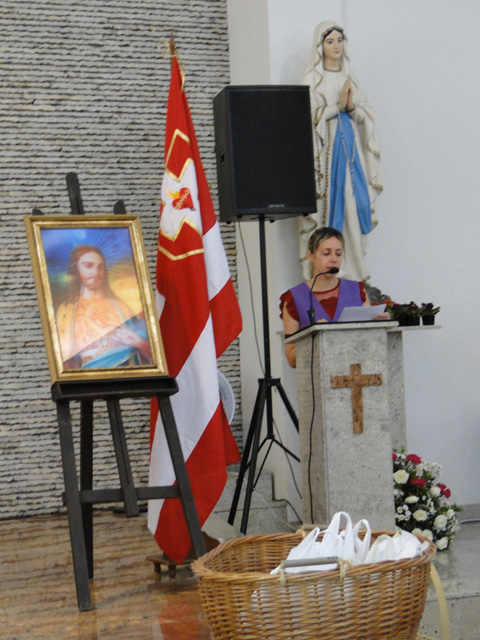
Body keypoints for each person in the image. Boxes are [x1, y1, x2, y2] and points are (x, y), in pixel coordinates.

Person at [300, 21, 382, 282]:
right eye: (330, 41)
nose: (336, 45)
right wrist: (337, 107)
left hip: (351, 153)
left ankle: (356, 271)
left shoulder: (350, 77)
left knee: (356, 205)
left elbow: (365, 115)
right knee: (334, 205)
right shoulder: (312, 79)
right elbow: (305, 118)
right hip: (326, 157)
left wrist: (351, 108)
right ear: (320, 46)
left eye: (339, 40)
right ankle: (333, 274)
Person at [280, 227, 390, 367]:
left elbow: (369, 342)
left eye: (338, 254)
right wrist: (313, 338)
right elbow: (291, 359)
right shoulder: (294, 298)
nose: (333, 259)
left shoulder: (356, 291)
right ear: (310, 256)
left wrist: (379, 326)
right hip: (317, 375)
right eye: (326, 253)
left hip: (357, 372)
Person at [56, 244, 152, 369]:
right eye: (88, 266)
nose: (96, 272)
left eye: (100, 267)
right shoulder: (66, 311)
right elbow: (64, 357)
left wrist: (140, 343)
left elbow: (146, 353)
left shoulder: (120, 307)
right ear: (76, 269)